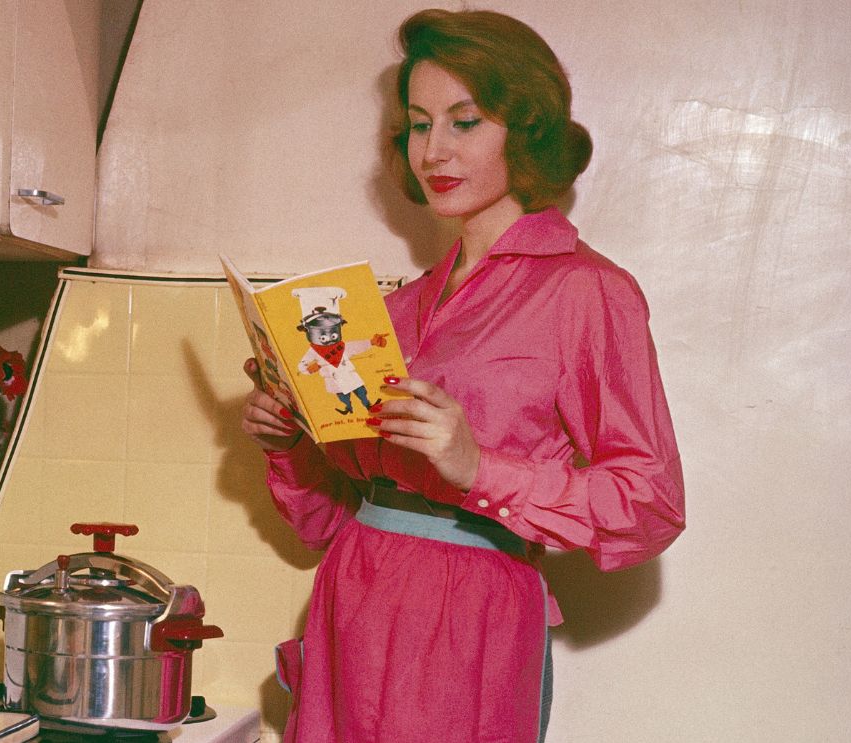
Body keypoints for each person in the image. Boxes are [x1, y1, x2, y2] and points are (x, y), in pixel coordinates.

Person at [240, 8, 685, 743]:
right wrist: (288, 440)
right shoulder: (395, 309)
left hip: (469, 616)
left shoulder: (586, 292)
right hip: (352, 598)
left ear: (527, 131)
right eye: (419, 125)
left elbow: (649, 504)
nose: (433, 151)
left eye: (464, 121)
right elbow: (324, 522)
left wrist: (479, 467)